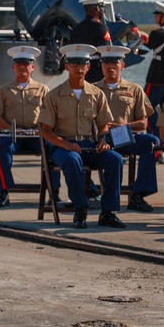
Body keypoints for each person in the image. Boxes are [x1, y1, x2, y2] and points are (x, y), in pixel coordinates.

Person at [38, 44, 124, 229]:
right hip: (62, 145)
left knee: (115, 159)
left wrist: (103, 141)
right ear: (66, 66)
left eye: (82, 63)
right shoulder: (54, 95)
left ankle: (108, 212)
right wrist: (64, 144)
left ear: (88, 67)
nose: (78, 67)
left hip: (88, 144)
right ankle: (80, 209)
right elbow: (46, 131)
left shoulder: (97, 94)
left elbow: (103, 126)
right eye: (73, 63)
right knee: (71, 160)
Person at [0, 45, 60, 207]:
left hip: (36, 135)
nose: (22, 67)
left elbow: (50, 115)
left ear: (33, 67)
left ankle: (53, 192)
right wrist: (9, 129)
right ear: (13, 67)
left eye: (26, 64)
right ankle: (4, 192)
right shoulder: (3, 90)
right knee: (3, 149)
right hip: (13, 134)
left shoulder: (43, 89)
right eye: (19, 64)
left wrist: (41, 129)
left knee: (53, 148)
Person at [92, 44, 158, 211]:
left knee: (151, 141)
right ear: (101, 65)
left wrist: (123, 125)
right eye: (106, 63)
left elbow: (143, 123)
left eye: (114, 63)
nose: (110, 67)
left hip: (123, 135)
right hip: (99, 137)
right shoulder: (92, 90)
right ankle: (94, 193)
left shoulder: (134, 89)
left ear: (123, 65)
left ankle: (138, 194)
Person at [69, 0, 112, 84]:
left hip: (79, 69)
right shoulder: (100, 27)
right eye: (101, 8)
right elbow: (106, 51)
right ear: (97, 9)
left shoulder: (77, 28)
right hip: (96, 71)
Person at [143, 1, 164, 135]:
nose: (155, 18)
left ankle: (155, 141)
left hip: (155, 79)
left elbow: (141, 51)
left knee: (147, 110)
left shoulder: (157, 33)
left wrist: (136, 37)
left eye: (158, 15)